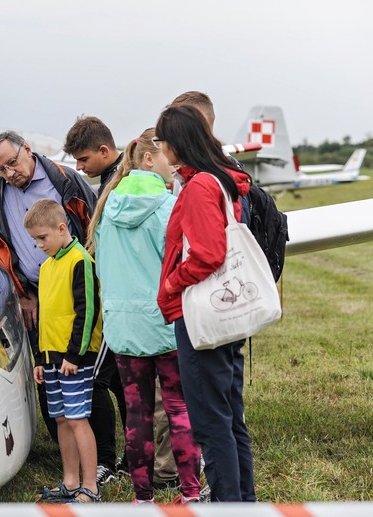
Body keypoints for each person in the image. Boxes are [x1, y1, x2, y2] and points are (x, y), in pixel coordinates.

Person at [89, 129, 201, 504]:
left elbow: (102, 268)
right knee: (178, 408)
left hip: (123, 328)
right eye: (170, 156)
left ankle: (142, 499)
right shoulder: (170, 207)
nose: (176, 165)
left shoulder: (106, 208)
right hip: (165, 324)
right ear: (150, 159)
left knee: (137, 416)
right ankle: (191, 493)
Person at [155, 104, 256, 502]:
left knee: (210, 422)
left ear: (177, 143)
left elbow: (208, 254)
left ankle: (228, 503)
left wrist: (171, 286)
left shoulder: (198, 187)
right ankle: (242, 500)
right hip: (226, 314)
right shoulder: (220, 179)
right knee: (230, 417)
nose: (161, 150)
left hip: (202, 317)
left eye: (163, 141)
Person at [0, 131, 103, 469]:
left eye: (12, 163)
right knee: (49, 377)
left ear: (27, 150)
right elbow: (2, 241)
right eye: (1, 170)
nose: (9, 173)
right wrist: (23, 294)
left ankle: (103, 457)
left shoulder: (64, 178)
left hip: (76, 290)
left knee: (91, 374)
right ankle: (65, 457)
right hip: (38, 296)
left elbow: (91, 225)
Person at [63, 116, 129, 481]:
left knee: (95, 380)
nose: (79, 167)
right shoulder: (110, 178)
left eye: (84, 159)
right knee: (121, 381)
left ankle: (106, 459)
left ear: (105, 151)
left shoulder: (121, 183)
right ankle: (131, 459)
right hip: (116, 297)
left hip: (118, 301)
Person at [25, 199, 103, 503]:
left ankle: (90, 486)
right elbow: (44, 319)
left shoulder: (81, 261)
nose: (38, 245)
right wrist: (41, 359)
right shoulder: (46, 268)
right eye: (35, 240)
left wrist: (74, 355)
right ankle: (70, 481)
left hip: (75, 359)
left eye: (42, 238)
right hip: (52, 358)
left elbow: (88, 312)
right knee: (60, 419)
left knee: (77, 419)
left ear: (61, 228)